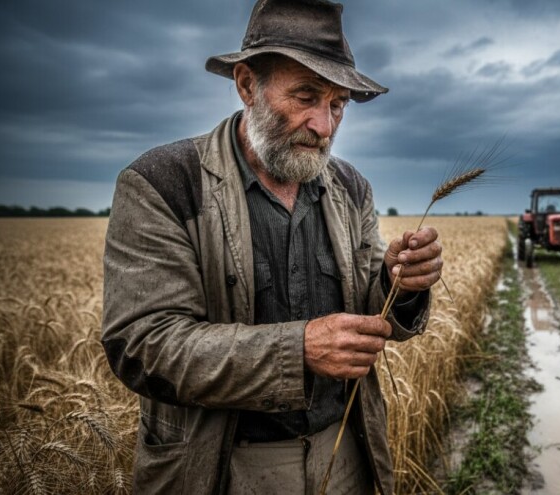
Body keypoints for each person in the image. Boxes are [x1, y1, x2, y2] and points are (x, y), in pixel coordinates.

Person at [100, 1, 442, 493]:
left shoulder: (351, 186)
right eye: (306, 96)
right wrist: (298, 349)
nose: (324, 126)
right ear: (246, 85)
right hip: (220, 466)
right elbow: (142, 345)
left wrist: (399, 283)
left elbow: (371, 302)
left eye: (337, 104)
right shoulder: (163, 184)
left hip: (346, 456)